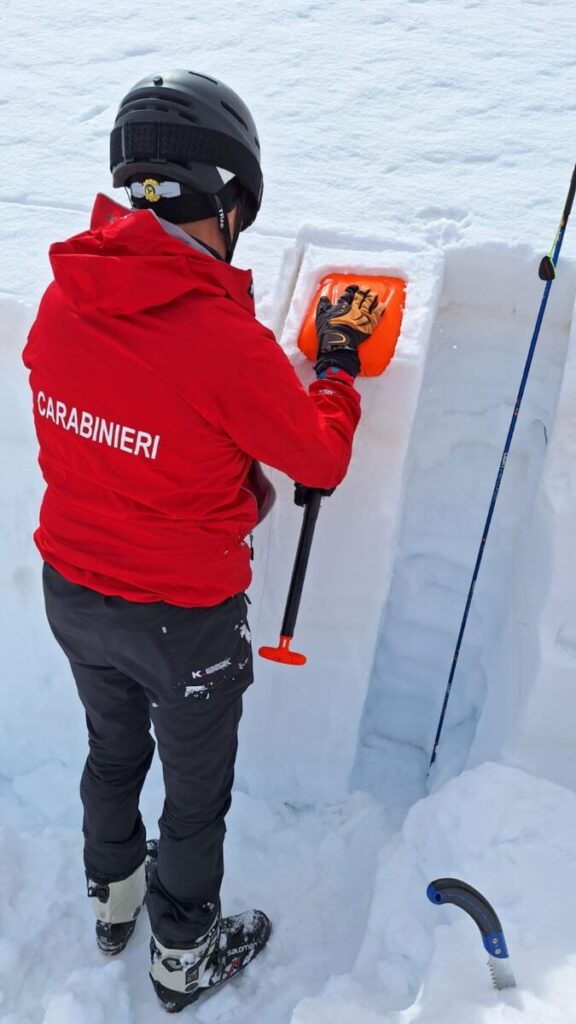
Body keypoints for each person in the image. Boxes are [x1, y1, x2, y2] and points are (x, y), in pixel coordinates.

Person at [22, 69, 383, 1012]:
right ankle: (183, 951)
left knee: (111, 753)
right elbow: (318, 457)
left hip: (72, 591)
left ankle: (114, 901)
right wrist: (335, 368)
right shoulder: (218, 339)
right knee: (193, 793)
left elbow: (119, 418)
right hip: (180, 617)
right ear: (222, 200)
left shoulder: (65, 301)